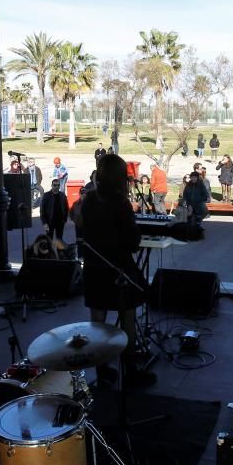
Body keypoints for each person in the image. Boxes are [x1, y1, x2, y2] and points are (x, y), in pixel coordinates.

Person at [78, 154, 155, 388]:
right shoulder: (120, 203)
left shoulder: (89, 199)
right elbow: (132, 243)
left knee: (97, 322)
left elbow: (81, 232)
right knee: (128, 319)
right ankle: (130, 371)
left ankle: (103, 373)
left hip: (93, 268)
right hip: (118, 270)